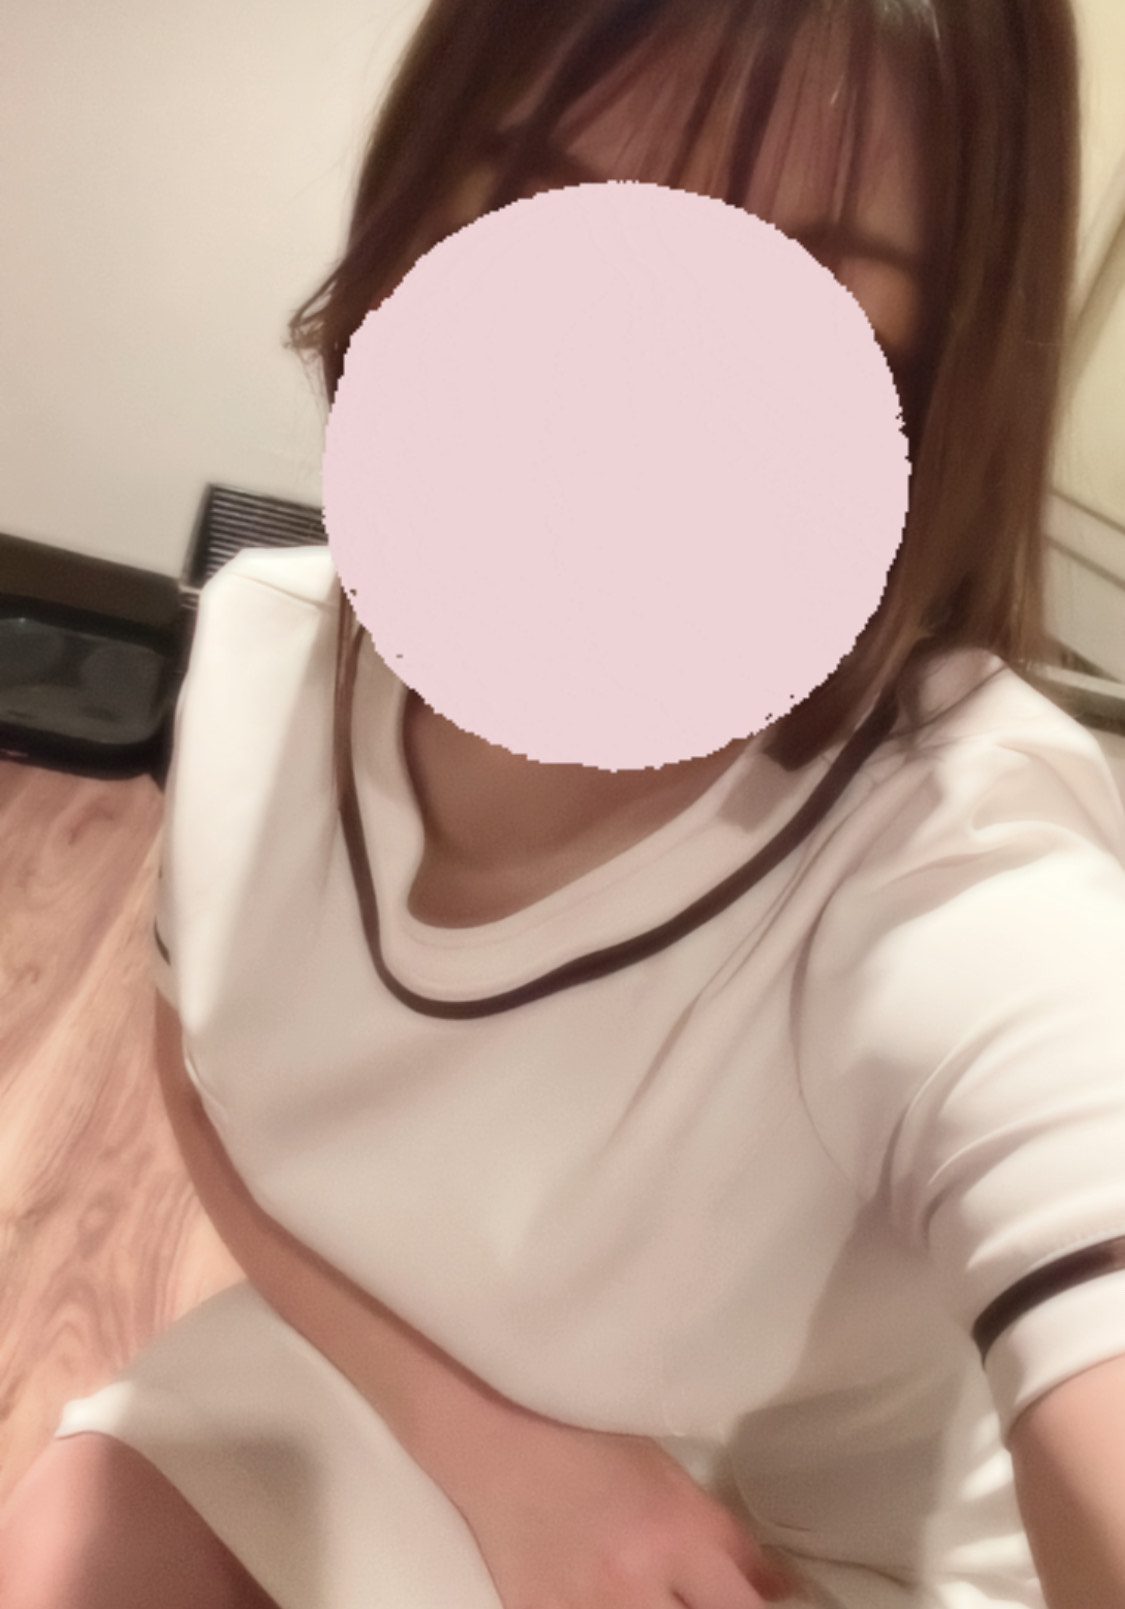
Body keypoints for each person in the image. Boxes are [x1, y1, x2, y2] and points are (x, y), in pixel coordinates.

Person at [5, 0, 1125, 1606]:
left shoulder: (950, 860)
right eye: (546, 210)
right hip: (409, 1380)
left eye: (799, 295)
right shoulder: (259, 650)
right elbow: (208, 1082)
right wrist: (500, 1454)